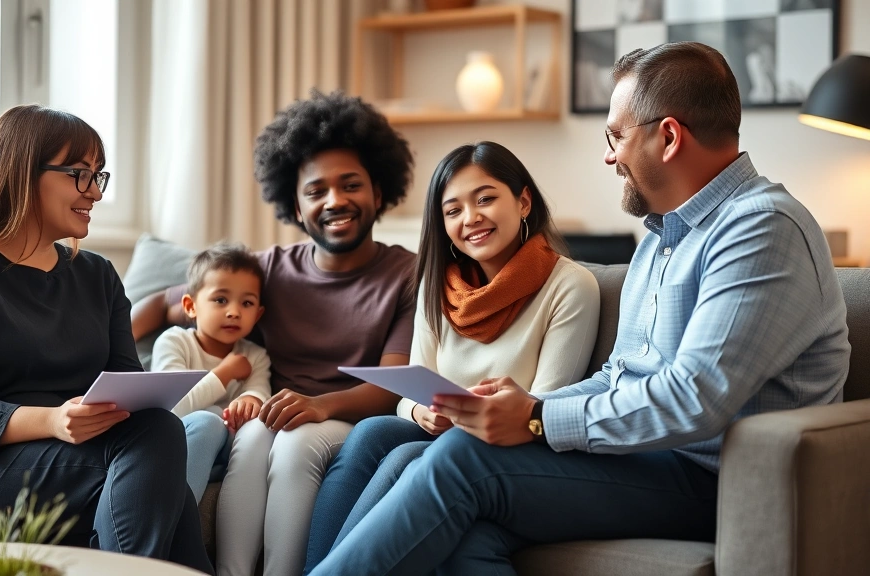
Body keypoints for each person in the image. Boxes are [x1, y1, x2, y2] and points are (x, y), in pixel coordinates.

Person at [310, 41, 850, 576]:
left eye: (615, 135)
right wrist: (522, 405)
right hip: (648, 459)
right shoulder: (663, 240)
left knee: (462, 463)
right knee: (463, 524)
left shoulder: (760, 227)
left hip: (716, 478)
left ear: (667, 137)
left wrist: (539, 418)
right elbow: (619, 375)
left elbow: (695, 396)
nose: (609, 155)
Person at [0, 105, 212, 574]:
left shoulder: (97, 275)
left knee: (157, 431)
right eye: (79, 174)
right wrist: (54, 420)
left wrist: (118, 405)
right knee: (161, 475)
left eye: (99, 176)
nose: (95, 192)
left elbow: (126, 386)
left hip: (68, 449)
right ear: (21, 173)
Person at [131, 90, 417, 576]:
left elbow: (392, 383)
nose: (335, 201)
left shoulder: (408, 274)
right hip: (271, 412)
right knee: (254, 438)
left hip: (338, 418)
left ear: (378, 190)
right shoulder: (267, 271)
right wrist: (110, 363)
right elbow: (162, 302)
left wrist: (323, 404)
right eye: (316, 191)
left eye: (351, 185)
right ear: (294, 203)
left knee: (297, 443)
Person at [305, 141, 601, 571]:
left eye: (485, 199)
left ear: (522, 202)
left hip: (510, 448)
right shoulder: (436, 286)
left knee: (406, 458)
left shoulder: (570, 286)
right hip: (442, 435)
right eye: (453, 210)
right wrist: (420, 413)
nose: (471, 218)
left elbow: (545, 405)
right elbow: (410, 390)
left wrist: (461, 418)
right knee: (370, 433)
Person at [151, 241, 272, 504]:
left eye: (247, 303)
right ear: (191, 306)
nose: (234, 312)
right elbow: (170, 409)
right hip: (180, 441)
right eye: (220, 300)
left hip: (230, 452)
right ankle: (175, 520)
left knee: (259, 432)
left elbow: (259, 390)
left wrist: (251, 400)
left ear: (258, 314)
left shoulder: (255, 355)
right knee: (210, 419)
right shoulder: (174, 343)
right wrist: (224, 373)